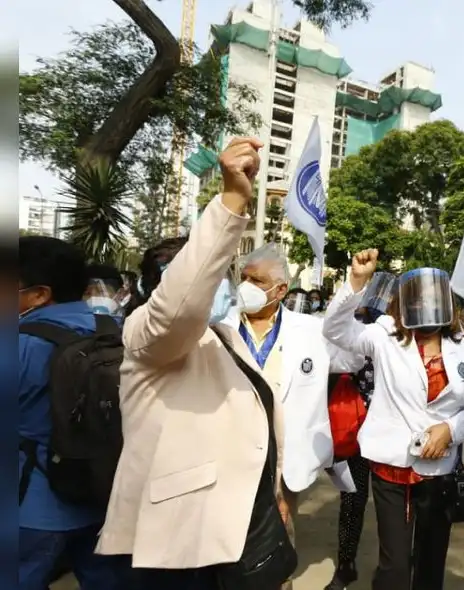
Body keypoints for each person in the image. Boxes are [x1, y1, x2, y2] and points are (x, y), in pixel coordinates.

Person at [96, 137, 296, 590]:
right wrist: (231, 201)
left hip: (237, 529)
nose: (226, 286)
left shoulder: (222, 336)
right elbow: (180, 304)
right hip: (184, 547)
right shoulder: (148, 332)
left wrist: (274, 495)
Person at [324, 253, 464, 590]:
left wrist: (451, 430)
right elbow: (335, 330)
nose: (426, 304)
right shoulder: (385, 338)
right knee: (393, 568)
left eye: (435, 297)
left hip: (439, 473)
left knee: (430, 563)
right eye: (418, 297)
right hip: (392, 471)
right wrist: (356, 281)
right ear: (404, 302)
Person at [221, 243, 362, 590]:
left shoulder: (311, 330)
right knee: (226, 539)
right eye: (244, 278)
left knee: (278, 535)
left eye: (257, 280)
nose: (246, 286)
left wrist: (354, 290)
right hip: (229, 453)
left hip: (283, 460)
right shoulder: (220, 328)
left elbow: (353, 358)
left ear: (281, 289)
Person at [18, 236, 131, 590]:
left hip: (32, 509)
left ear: (39, 294)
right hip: (104, 498)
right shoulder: (115, 331)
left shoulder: (20, 342)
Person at [325, 272, 396, 590]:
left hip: (392, 436)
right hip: (353, 432)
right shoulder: (353, 336)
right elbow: (335, 356)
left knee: (392, 508)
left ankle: (392, 568)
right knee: (352, 498)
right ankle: (346, 564)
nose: (378, 310)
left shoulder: (403, 340)